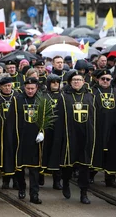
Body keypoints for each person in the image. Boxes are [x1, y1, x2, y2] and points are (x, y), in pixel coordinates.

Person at [49, 70, 96, 204]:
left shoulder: (90, 96)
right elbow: (58, 119)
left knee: (84, 167)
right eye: (74, 80)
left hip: (86, 136)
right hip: (70, 137)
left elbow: (95, 118)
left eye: (79, 80)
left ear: (83, 82)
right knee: (68, 166)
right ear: (70, 82)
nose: (76, 82)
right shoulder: (63, 97)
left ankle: (84, 193)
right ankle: (65, 183)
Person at [5, 77, 43, 204]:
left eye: (33, 88)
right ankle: (21, 187)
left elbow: (47, 118)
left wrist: (43, 131)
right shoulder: (17, 100)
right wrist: (10, 138)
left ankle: (34, 194)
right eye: (28, 88)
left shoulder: (42, 100)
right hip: (20, 139)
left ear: (36, 88)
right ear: (24, 88)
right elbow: (10, 121)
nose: (30, 91)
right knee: (19, 168)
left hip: (35, 140)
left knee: (34, 169)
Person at [90, 70, 116, 187]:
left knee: (112, 154)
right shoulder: (93, 92)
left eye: (108, 79)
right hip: (98, 127)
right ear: (98, 79)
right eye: (103, 78)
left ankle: (110, 178)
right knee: (97, 152)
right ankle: (91, 175)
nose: (105, 81)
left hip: (112, 128)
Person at [41, 74, 63, 190]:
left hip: (58, 128)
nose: (55, 84)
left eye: (57, 82)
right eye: (53, 82)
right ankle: (41, 175)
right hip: (45, 128)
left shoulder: (62, 96)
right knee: (43, 152)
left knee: (57, 154)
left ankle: (57, 180)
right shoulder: (43, 95)